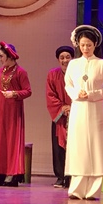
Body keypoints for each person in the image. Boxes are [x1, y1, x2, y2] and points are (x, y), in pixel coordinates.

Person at [64, 25, 103, 200]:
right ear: (78, 45)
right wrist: (76, 94)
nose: (85, 48)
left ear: (95, 45)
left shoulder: (102, 64)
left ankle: (93, 191)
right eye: (83, 45)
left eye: (89, 45)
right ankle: (76, 189)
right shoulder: (73, 64)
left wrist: (93, 94)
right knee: (78, 146)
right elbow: (68, 85)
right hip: (78, 108)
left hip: (95, 108)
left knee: (96, 146)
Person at [0, 41, 32, 187]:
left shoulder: (21, 72)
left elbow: (28, 91)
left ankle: (11, 173)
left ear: (10, 56)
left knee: (11, 140)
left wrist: (14, 93)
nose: (0, 59)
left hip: (13, 112)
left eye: (1, 56)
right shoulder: (0, 71)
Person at [46, 45, 74, 189]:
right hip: (60, 117)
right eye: (62, 58)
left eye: (68, 57)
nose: (65, 60)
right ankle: (60, 176)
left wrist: (73, 107)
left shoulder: (77, 73)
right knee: (58, 148)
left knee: (74, 147)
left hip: (76, 115)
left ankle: (72, 177)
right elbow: (50, 95)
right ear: (58, 60)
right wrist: (63, 108)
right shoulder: (52, 74)